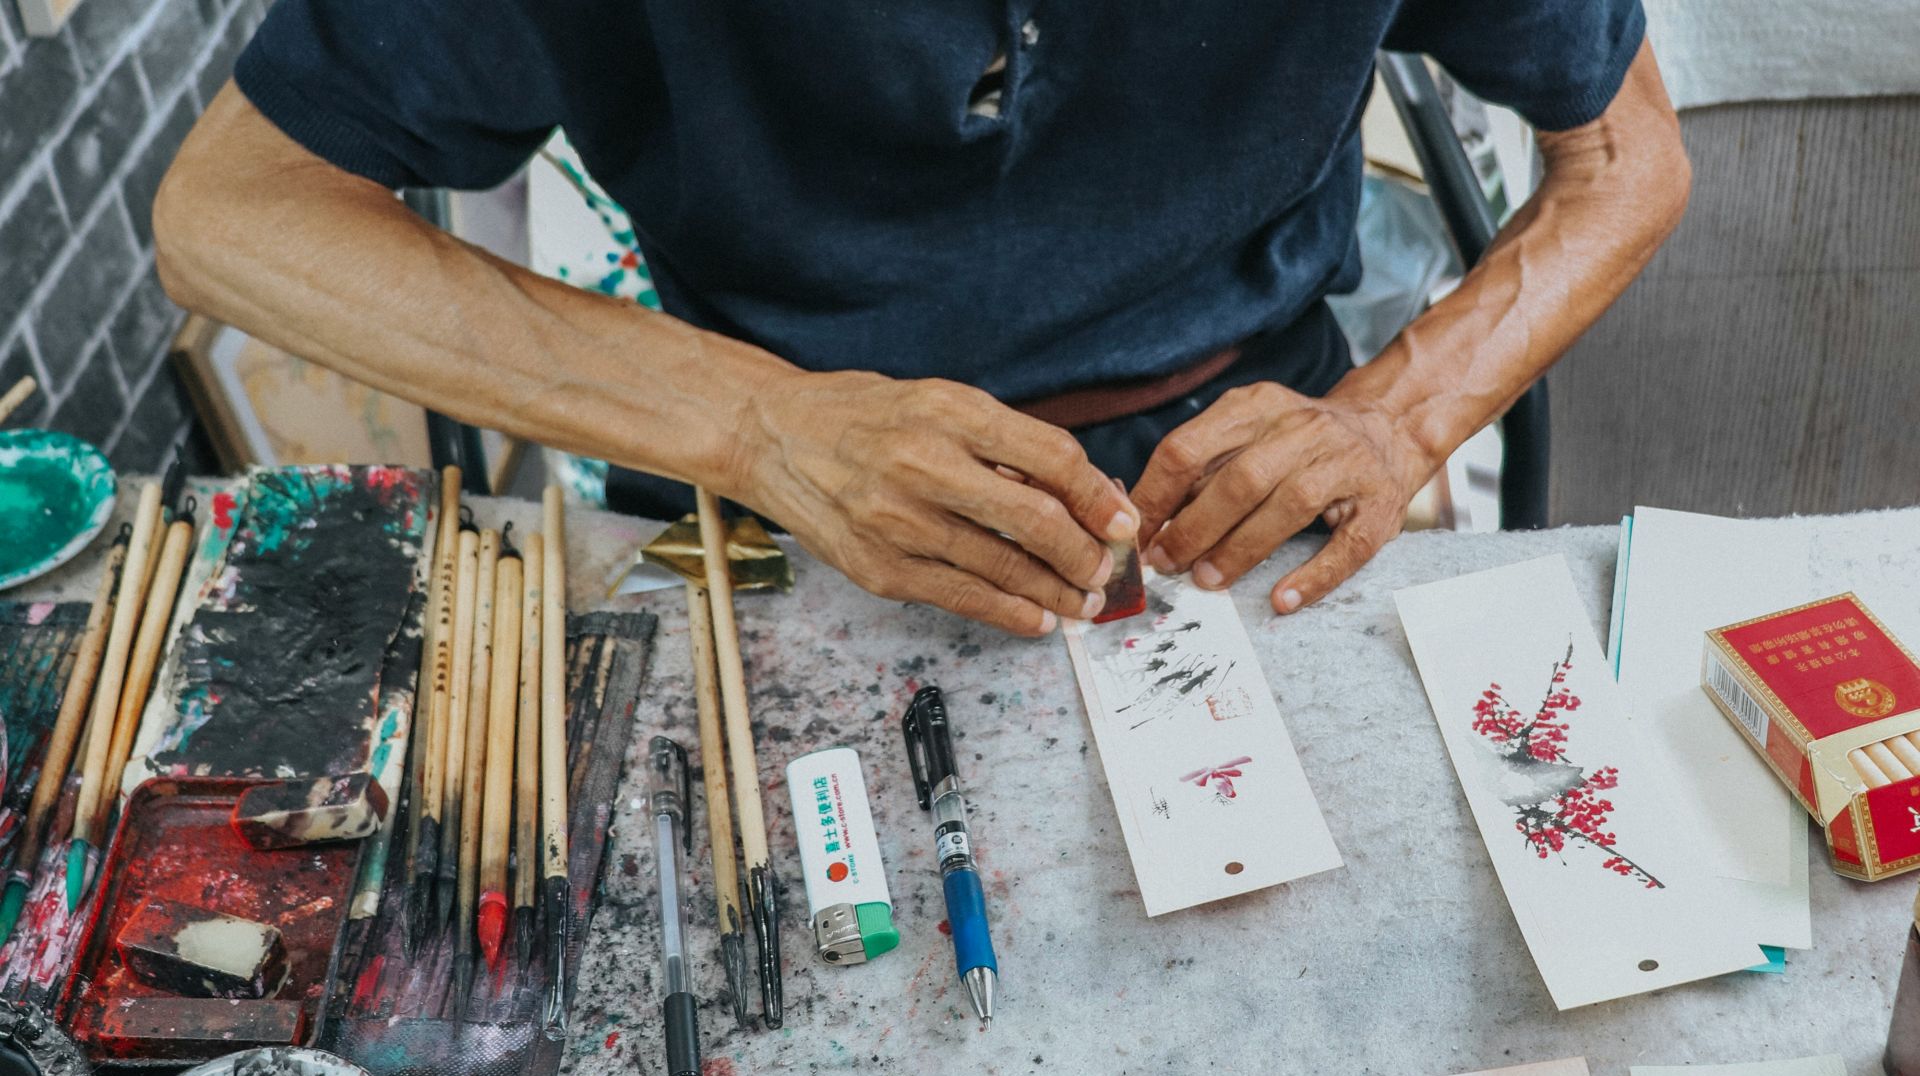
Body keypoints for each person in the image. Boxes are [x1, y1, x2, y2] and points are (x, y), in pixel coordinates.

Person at [153, 1, 1688, 637]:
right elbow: (231, 208)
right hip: (754, 483)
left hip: (1240, 469)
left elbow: (1624, 158)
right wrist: (758, 424)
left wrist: (1395, 417)